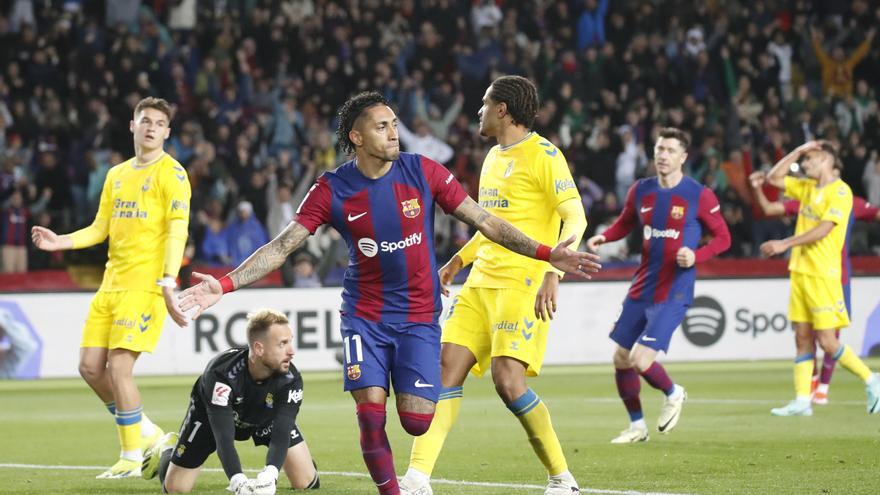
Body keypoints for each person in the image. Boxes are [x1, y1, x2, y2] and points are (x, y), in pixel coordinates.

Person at [177, 91, 600, 495]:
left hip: (418, 316)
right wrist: (225, 283)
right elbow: (282, 246)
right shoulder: (332, 188)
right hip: (364, 316)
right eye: (382, 127)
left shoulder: (424, 171)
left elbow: (486, 221)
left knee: (417, 420)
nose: (394, 133)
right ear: (357, 138)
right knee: (371, 412)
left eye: (394, 124)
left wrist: (548, 254)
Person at [402, 75, 589, 495]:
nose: (479, 112)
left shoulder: (545, 156)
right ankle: (417, 478)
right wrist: (456, 261)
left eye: (485, 104)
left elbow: (576, 218)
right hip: (479, 283)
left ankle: (562, 478)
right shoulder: (491, 157)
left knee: (508, 383)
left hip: (521, 285)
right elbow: (490, 226)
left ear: (503, 109)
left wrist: (553, 273)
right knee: (443, 373)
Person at [31, 97, 191, 478]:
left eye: (159, 123)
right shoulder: (116, 174)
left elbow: (177, 232)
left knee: (119, 368)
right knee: (89, 368)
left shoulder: (173, 175)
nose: (151, 127)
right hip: (111, 285)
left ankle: (132, 458)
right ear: (132, 126)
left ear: (167, 132)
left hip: (145, 287)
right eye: (145, 120)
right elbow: (100, 227)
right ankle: (150, 433)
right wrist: (62, 241)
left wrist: (168, 280)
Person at [587, 127, 731, 443]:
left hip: (674, 290)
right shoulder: (641, 190)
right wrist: (605, 236)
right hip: (643, 285)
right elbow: (625, 222)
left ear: (683, 156)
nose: (663, 155)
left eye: (670, 150)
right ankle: (637, 426)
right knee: (620, 359)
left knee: (640, 360)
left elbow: (723, 237)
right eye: (659, 149)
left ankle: (674, 391)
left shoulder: (699, 194)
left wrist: (696, 255)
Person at [758, 140, 880, 417]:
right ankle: (802, 400)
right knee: (802, 338)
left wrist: (785, 243)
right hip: (800, 273)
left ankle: (872, 379)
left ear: (827, 160)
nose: (805, 165)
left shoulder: (841, 192)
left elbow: (825, 229)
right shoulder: (807, 188)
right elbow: (773, 178)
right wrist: (798, 151)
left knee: (827, 342)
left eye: (810, 159)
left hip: (823, 275)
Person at [141, 309, 318, 494]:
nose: (292, 351)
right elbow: (223, 438)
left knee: (306, 481)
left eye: (290, 341)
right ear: (259, 348)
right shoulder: (221, 374)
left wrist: (271, 473)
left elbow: (283, 429)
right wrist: (237, 480)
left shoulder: (291, 378)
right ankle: (166, 450)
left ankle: (299, 465)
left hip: (265, 417)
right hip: (211, 418)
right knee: (176, 489)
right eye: (283, 344)